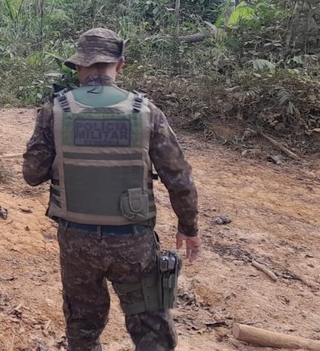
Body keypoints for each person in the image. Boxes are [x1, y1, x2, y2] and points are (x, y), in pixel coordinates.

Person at [21, 28, 201, 351]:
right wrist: (189, 227)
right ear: (120, 65)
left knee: (83, 330)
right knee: (151, 330)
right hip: (133, 243)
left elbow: (32, 174)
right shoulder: (145, 112)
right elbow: (179, 176)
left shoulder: (54, 112)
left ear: (78, 67)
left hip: (77, 244)